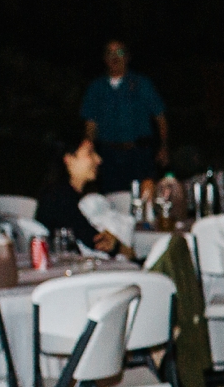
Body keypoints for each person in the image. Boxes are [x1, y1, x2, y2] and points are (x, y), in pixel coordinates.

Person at [81, 38, 170, 189]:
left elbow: (160, 118)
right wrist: (88, 151)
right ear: (104, 58)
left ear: (128, 57)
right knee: (112, 199)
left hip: (139, 154)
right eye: (110, 53)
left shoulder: (142, 84)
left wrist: (164, 146)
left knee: (144, 197)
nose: (115, 57)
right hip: (108, 155)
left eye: (120, 52)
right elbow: (90, 125)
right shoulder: (96, 88)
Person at [34, 132, 133, 256]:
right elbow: (94, 241)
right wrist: (120, 247)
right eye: (90, 153)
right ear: (69, 159)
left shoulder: (60, 193)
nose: (98, 160)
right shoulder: (60, 198)